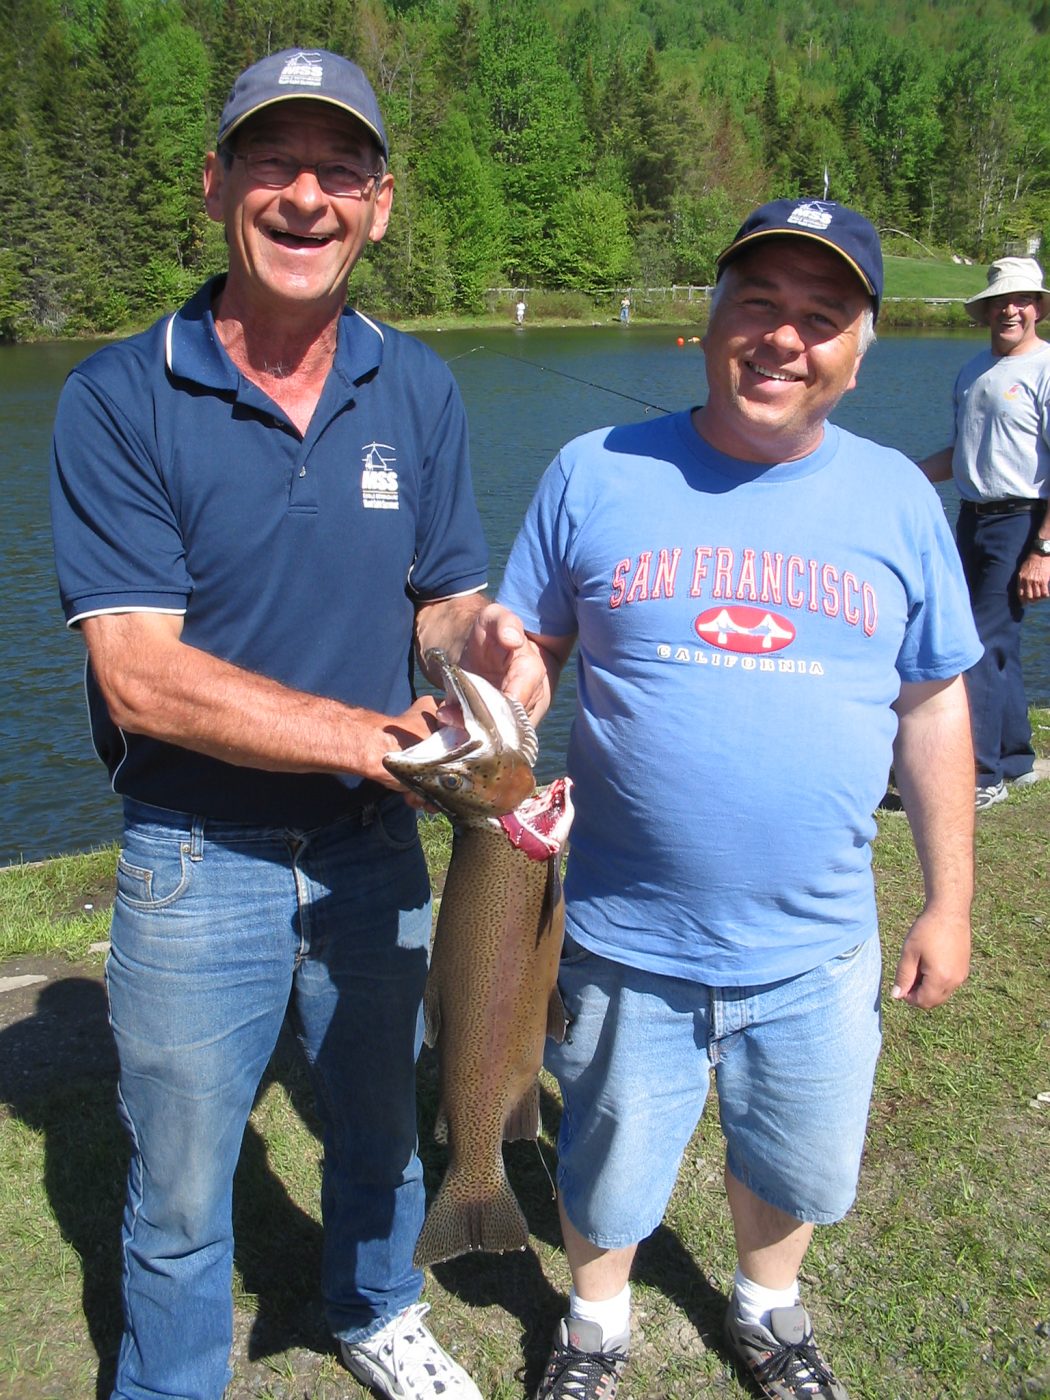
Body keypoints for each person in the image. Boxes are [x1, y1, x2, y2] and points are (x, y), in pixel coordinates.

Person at [49, 48, 540, 1400]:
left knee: (378, 1122)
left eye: (339, 170)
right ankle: (171, 1382)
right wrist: (379, 739)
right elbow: (139, 677)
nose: (305, 197)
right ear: (216, 187)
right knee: (182, 1171)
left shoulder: (416, 387)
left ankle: (377, 1307)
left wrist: (483, 643)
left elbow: (440, 598)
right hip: (194, 852)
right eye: (273, 163)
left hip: (377, 848)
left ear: (380, 204)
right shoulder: (118, 395)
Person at [496, 198, 982, 1400]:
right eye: (757, 303)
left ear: (860, 350)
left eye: (821, 317)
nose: (783, 337)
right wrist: (498, 690)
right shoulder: (591, 469)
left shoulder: (898, 501)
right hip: (620, 930)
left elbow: (934, 707)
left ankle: (768, 1308)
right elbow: (532, 645)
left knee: (793, 1158)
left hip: (819, 939)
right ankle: (595, 1323)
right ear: (711, 320)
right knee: (605, 1158)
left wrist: (950, 899)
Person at [919, 256, 1050, 810]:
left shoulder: (1045, 368)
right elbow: (962, 454)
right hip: (972, 518)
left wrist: (1043, 549)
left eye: (1021, 299)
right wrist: (901, 472)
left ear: (1038, 307)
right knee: (997, 642)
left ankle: (981, 772)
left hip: (1024, 521)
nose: (1010, 309)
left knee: (976, 642)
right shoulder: (973, 370)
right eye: (1000, 301)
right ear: (987, 310)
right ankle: (1016, 759)